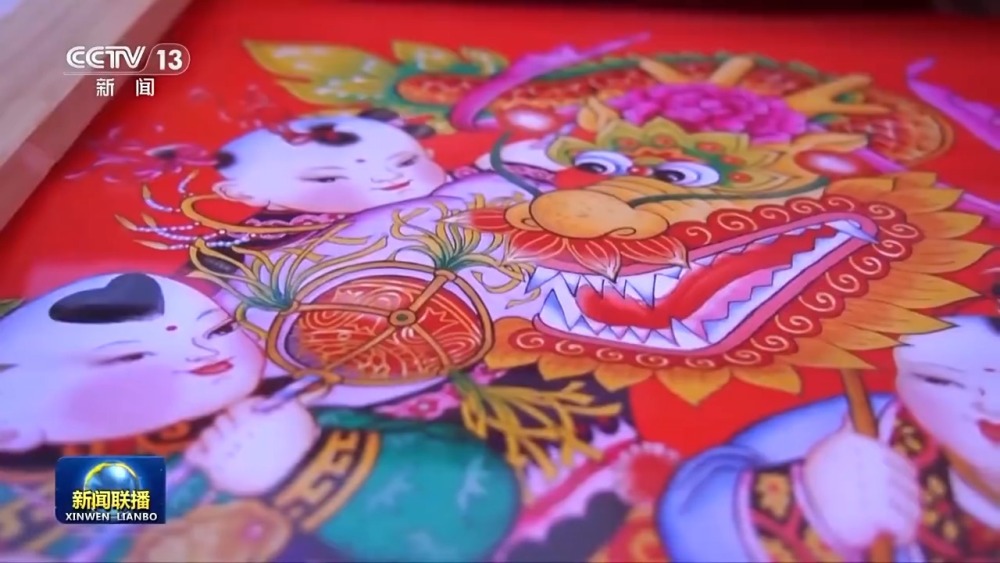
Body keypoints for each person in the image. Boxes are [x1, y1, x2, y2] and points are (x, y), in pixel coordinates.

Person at [0, 273, 519, 562]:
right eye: (129, 356)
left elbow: (469, 498)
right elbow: (147, 498)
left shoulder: (293, 418)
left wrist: (302, 463)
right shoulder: (58, 492)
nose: (205, 353)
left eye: (217, 330)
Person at [658, 315, 1000, 561]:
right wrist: (813, 505)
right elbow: (693, 512)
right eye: (946, 378)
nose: (993, 402)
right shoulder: (870, 427)